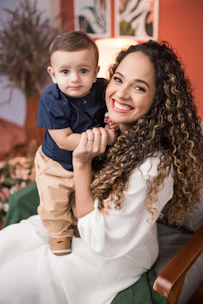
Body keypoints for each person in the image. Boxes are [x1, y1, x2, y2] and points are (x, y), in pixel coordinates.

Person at [0, 40, 202, 304]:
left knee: (15, 281)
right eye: (118, 79)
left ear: (158, 98)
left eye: (139, 87)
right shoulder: (116, 126)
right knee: (7, 248)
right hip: (78, 222)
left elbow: (102, 243)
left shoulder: (152, 167)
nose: (121, 94)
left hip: (114, 252)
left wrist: (82, 163)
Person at [35, 31, 117, 256]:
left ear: (95, 72)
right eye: (65, 71)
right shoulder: (52, 100)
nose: (74, 78)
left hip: (89, 160)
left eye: (83, 70)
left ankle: (79, 224)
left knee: (84, 194)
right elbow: (64, 140)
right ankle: (59, 233)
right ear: (53, 75)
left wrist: (113, 123)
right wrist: (106, 137)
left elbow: (114, 113)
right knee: (55, 201)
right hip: (56, 163)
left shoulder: (102, 89)